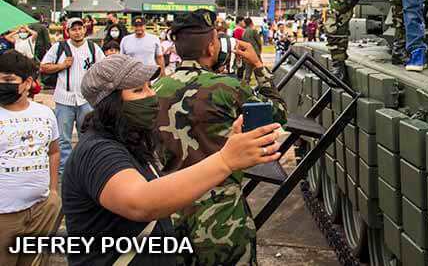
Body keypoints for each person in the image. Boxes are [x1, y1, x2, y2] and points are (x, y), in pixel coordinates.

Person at [61, 54, 282, 266]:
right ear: (111, 104)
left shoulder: (129, 142)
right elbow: (141, 203)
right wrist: (225, 160)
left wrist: (228, 150)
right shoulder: (97, 151)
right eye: (138, 90)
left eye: (149, 86)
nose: (150, 95)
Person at [152, 9, 286, 265]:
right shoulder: (228, 88)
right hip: (222, 216)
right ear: (211, 47)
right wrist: (258, 65)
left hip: (168, 208)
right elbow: (277, 114)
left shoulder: (155, 89)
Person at [0, 51, 61, 266]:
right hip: (5, 215)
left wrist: (53, 192)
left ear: (27, 83)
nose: (2, 84)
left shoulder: (45, 113)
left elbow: (53, 151)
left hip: (41, 209)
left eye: (8, 80)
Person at [40, 17, 104, 175]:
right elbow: (43, 66)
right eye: (73, 29)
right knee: (63, 138)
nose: (77, 32)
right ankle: (65, 171)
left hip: (86, 99)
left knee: (88, 136)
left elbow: (104, 68)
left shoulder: (93, 47)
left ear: (85, 29)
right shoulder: (59, 47)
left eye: (80, 28)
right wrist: (62, 66)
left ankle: (85, 168)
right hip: (64, 99)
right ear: (67, 32)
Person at [241, 17, 262, 85]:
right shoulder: (253, 30)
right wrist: (259, 50)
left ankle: (245, 86)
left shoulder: (244, 32)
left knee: (248, 72)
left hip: (248, 53)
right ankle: (262, 84)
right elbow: (259, 42)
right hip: (255, 53)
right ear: (251, 22)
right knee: (260, 70)